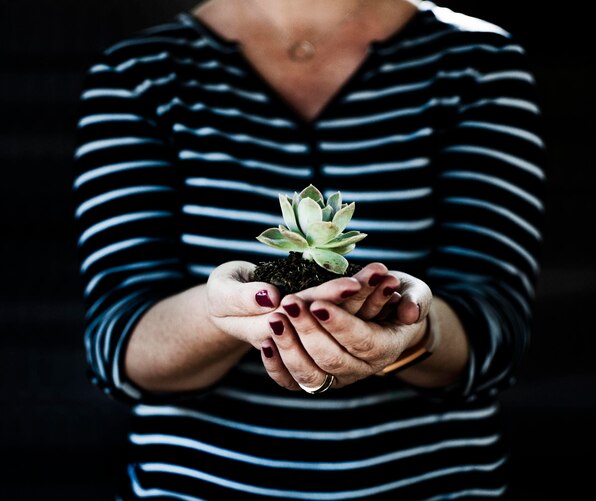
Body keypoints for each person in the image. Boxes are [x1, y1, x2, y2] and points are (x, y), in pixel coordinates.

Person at [72, 0, 546, 498]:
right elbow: (117, 345)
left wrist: (409, 333)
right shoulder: (139, 73)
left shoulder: (477, 60)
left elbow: (501, 329)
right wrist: (222, 314)